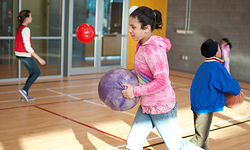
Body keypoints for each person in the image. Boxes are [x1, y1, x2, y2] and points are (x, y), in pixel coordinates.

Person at [121, 6, 204, 150]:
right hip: (147, 105)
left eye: (133, 27)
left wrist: (135, 91)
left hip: (161, 106)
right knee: (133, 144)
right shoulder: (142, 45)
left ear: (146, 28)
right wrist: (129, 76)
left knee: (177, 146)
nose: (130, 30)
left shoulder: (153, 49)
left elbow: (162, 81)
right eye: (130, 26)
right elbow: (143, 71)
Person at [189, 39, 243, 150]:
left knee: (204, 141)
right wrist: (238, 90)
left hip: (198, 104)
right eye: (219, 48)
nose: (220, 50)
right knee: (199, 138)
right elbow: (233, 87)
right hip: (205, 107)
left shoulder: (203, 66)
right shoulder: (216, 67)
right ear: (216, 52)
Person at [15, 10, 46, 102]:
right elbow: (27, 47)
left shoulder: (20, 28)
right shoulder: (26, 29)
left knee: (32, 73)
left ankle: (24, 94)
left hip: (19, 54)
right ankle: (24, 90)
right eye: (31, 16)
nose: (32, 18)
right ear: (27, 18)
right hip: (25, 55)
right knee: (37, 72)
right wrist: (39, 58)